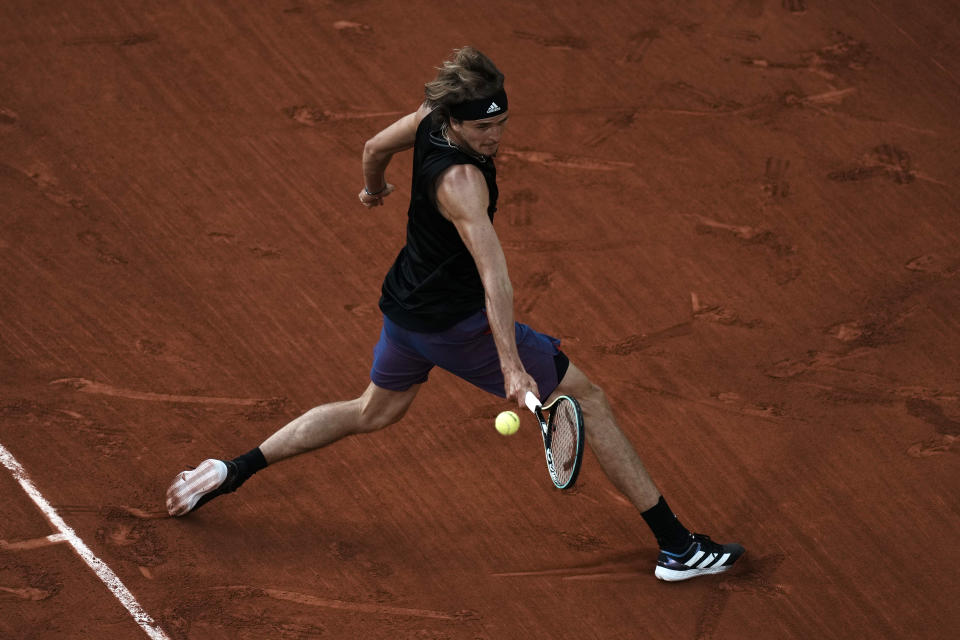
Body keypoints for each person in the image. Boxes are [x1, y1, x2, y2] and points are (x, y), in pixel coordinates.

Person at [165, 46, 744, 582]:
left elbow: (372, 149)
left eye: (501, 123)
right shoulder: (463, 183)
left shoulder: (426, 120)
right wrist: (512, 367)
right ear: (455, 122)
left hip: (407, 309)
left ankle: (229, 469)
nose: (495, 136)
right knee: (589, 397)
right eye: (483, 127)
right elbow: (495, 276)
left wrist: (373, 192)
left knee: (372, 411)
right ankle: (678, 548)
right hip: (456, 324)